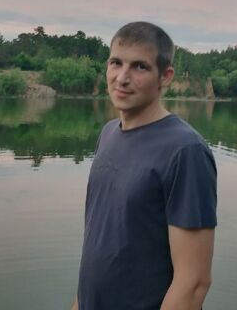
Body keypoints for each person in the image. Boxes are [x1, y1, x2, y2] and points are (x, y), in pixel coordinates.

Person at [71, 22, 217, 310]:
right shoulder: (108, 134)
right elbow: (98, 246)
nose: (122, 78)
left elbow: (193, 283)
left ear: (165, 76)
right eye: (116, 63)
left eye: (140, 67)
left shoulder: (185, 151)